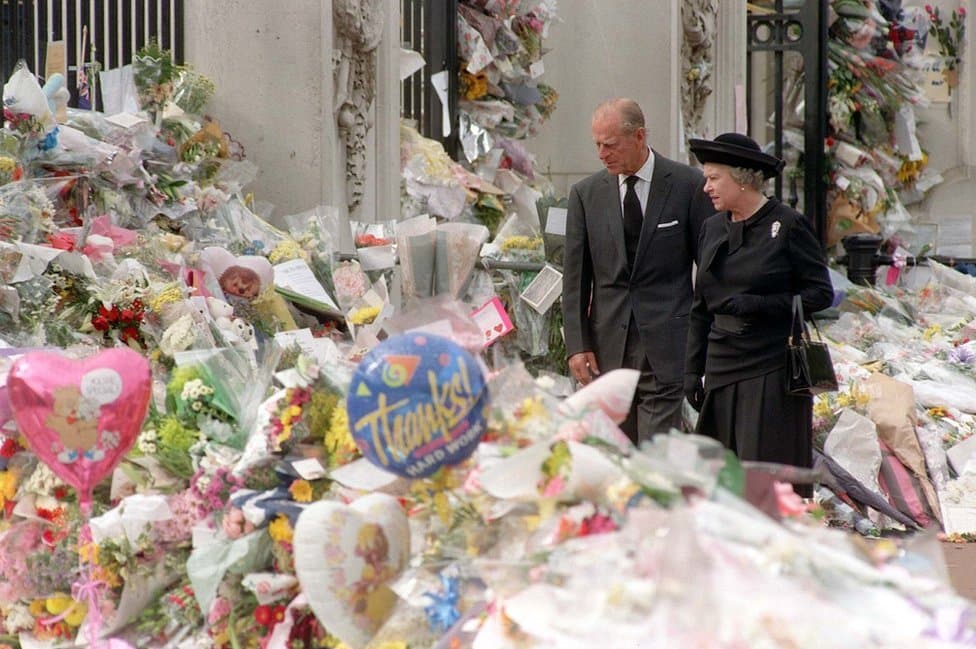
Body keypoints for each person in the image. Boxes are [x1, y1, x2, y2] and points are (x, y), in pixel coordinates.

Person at [684, 133, 833, 488]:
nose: (706, 188)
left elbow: (821, 293)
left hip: (770, 369)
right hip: (721, 368)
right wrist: (691, 370)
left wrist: (761, 305)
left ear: (743, 179)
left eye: (713, 178)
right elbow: (700, 307)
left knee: (763, 478)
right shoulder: (711, 228)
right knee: (719, 480)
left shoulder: (788, 225)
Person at [562, 98, 714, 443]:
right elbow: (574, 279)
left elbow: (708, 270)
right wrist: (577, 344)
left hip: (667, 344)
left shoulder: (688, 185)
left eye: (610, 144)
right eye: (597, 145)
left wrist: (703, 341)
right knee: (614, 454)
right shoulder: (586, 195)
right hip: (606, 348)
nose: (602, 154)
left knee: (654, 454)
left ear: (639, 137)